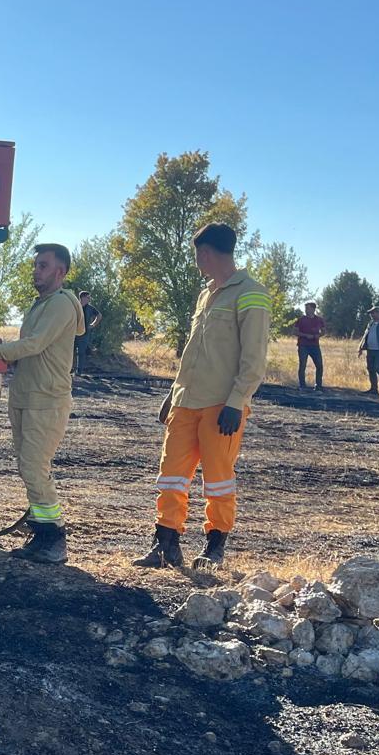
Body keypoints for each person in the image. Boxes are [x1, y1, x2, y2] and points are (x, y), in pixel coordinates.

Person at [132, 222, 270, 570]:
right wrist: (172, 393)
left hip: (221, 406)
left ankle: (214, 547)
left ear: (206, 253)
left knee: (218, 478)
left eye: (197, 256)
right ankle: (165, 544)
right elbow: (194, 351)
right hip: (185, 401)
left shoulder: (251, 292)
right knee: (171, 475)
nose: (197, 262)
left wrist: (237, 401)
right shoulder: (205, 294)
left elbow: (254, 358)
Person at [0, 243, 85, 565]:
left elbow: (34, 345)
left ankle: (54, 538)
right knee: (29, 468)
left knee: (34, 468)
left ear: (60, 272)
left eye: (43, 266)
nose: (36, 271)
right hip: (28, 398)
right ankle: (42, 534)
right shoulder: (40, 305)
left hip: (46, 401)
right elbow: (30, 349)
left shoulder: (61, 305)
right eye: (36, 265)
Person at [294, 300, 325, 390]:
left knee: (319, 365)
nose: (306, 310)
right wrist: (305, 335)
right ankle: (302, 385)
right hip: (303, 345)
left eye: (308, 308)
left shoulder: (319, 320)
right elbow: (295, 332)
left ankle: (318, 386)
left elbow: (323, 331)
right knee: (302, 365)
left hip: (315, 345)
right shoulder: (301, 320)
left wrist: (317, 336)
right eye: (305, 308)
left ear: (313, 309)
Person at [72, 291, 103, 375]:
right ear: (82, 298)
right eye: (88, 297)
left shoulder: (90, 308)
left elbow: (99, 315)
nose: (89, 299)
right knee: (71, 352)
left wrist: (93, 325)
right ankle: (70, 369)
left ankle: (79, 372)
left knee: (81, 352)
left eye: (89, 298)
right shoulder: (75, 306)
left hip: (84, 334)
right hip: (73, 333)